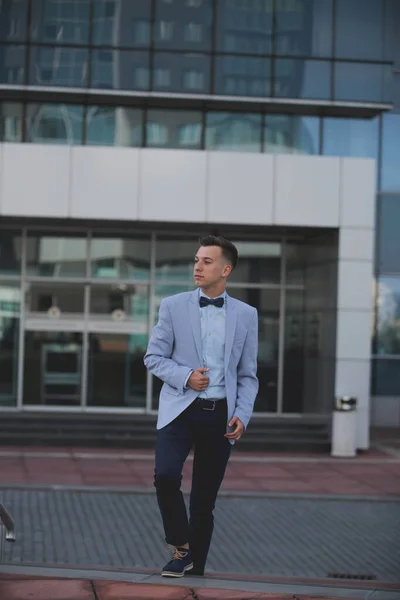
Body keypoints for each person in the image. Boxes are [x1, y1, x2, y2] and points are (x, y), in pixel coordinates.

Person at [144, 235, 259, 578]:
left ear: (226, 270)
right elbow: (153, 357)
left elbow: (248, 374)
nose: (197, 266)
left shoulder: (246, 314)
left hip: (220, 415)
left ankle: (194, 571)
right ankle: (181, 548)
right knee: (165, 477)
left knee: (203, 502)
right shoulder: (173, 306)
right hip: (179, 409)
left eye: (207, 261)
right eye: (196, 260)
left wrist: (243, 413)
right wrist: (185, 376)